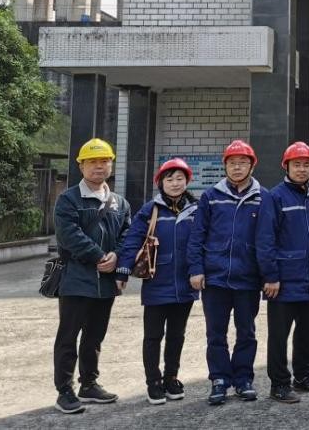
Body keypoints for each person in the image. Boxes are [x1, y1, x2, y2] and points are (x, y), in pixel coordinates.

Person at [52, 138, 131, 414]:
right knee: (68, 336)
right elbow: (69, 235)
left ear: (111, 165)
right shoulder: (68, 199)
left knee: (95, 336)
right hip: (76, 279)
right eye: (93, 162)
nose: (99, 166)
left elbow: (127, 235)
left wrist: (117, 256)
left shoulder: (120, 203)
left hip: (106, 283)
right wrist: (99, 256)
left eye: (104, 161)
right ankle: (65, 390)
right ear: (81, 166)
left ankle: (89, 384)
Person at [116, 158, 198, 405]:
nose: (175, 183)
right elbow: (133, 239)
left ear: (187, 181)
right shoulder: (150, 209)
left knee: (177, 335)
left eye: (180, 178)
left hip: (185, 283)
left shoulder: (196, 209)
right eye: (169, 179)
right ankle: (153, 381)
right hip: (156, 281)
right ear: (161, 183)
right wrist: (122, 270)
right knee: (153, 336)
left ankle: (171, 378)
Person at [187, 140, 263, 405]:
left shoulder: (263, 197)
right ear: (225, 166)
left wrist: (267, 274)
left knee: (247, 332)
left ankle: (243, 379)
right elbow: (197, 235)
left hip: (248, 278)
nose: (237, 167)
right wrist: (196, 269)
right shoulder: (211, 196)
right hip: (215, 277)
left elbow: (268, 238)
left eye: (242, 162)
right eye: (232, 163)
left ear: (252, 166)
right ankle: (219, 379)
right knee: (215, 333)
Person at [257, 142, 309, 404]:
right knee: (279, 335)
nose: (301, 169)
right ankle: (279, 384)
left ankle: (304, 375)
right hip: (284, 280)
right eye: (296, 164)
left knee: (307, 332)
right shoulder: (274, 197)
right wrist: (270, 276)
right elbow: (265, 240)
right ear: (286, 167)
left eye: (306, 164)